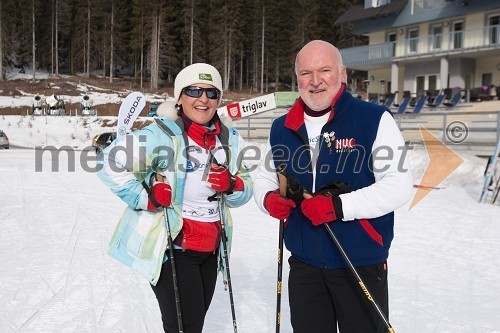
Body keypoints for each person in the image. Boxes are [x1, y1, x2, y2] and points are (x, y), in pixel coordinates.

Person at [253, 40, 413, 332]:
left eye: (324, 70)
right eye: (306, 73)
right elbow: (264, 176)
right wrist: (266, 198)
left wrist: (339, 206)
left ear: (342, 74)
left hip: (359, 260)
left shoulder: (373, 119)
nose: (315, 81)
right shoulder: (282, 126)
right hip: (304, 263)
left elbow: (399, 185)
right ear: (297, 77)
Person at [97, 63, 253, 332]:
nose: (203, 99)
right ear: (180, 98)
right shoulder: (161, 136)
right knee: (185, 326)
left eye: (211, 92)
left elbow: (245, 190)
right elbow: (110, 162)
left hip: (212, 249)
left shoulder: (229, 139)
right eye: (194, 90)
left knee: (192, 323)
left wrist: (232, 184)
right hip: (174, 247)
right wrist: (148, 197)